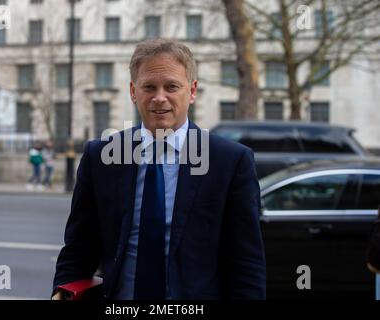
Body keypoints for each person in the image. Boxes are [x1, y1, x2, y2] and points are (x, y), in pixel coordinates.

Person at [52, 38, 266, 300]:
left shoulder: (230, 162)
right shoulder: (100, 158)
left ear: (192, 90)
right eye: (149, 87)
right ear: (133, 91)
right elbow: (77, 251)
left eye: (172, 86)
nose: (159, 98)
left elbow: (246, 264)